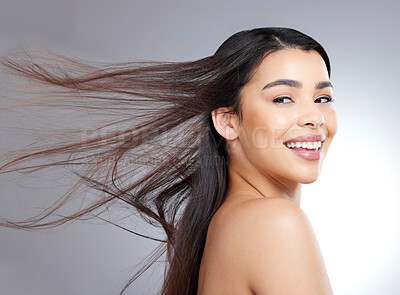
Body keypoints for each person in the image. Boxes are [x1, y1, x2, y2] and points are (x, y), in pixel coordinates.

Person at [0, 27, 336, 294]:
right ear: (228, 121)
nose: (314, 117)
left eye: (323, 97)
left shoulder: (229, 220)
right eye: (283, 98)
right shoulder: (273, 222)